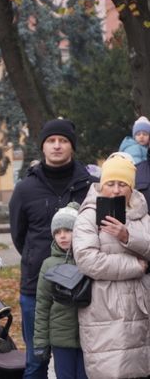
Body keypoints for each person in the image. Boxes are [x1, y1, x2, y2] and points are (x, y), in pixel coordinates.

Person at [9, 118, 96, 379]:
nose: (57, 146)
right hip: (36, 288)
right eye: (51, 141)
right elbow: (18, 235)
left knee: (81, 362)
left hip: (84, 288)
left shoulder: (90, 186)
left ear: (72, 146)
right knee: (36, 361)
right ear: (43, 147)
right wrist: (40, 259)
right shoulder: (25, 189)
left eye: (63, 141)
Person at [72, 154, 150, 379]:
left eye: (122, 184)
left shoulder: (143, 217)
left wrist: (128, 236)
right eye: (111, 183)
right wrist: (136, 266)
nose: (116, 190)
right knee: (110, 371)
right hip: (105, 310)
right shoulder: (88, 216)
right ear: (102, 184)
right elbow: (87, 260)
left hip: (141, 309)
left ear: (132, 187)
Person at [33, 202, 86, 379]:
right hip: (60, 338)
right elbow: (42, 304)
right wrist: (41, 341)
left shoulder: (88, 259)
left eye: (67, 230)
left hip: (89, 337)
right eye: (57, 232)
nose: (62, 236)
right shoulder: (48, 265)